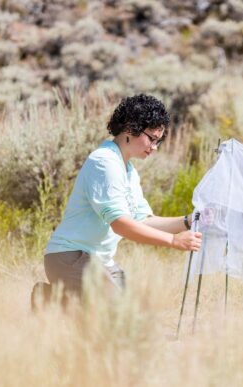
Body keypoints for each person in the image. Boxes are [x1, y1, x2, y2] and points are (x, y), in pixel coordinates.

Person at [32, 94, 202, 308]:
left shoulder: (128, 170)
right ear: (131, 128)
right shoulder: (104, 163)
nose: (155, 147)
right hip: (69, 257)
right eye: (152, 138)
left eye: (158, 141)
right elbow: (121, 224)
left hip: (99, 262)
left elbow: (142, 220)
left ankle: (50, 301)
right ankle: (50, 301)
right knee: (114, 318)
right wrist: (173, 241)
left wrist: (189, 220)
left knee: (134, 317)